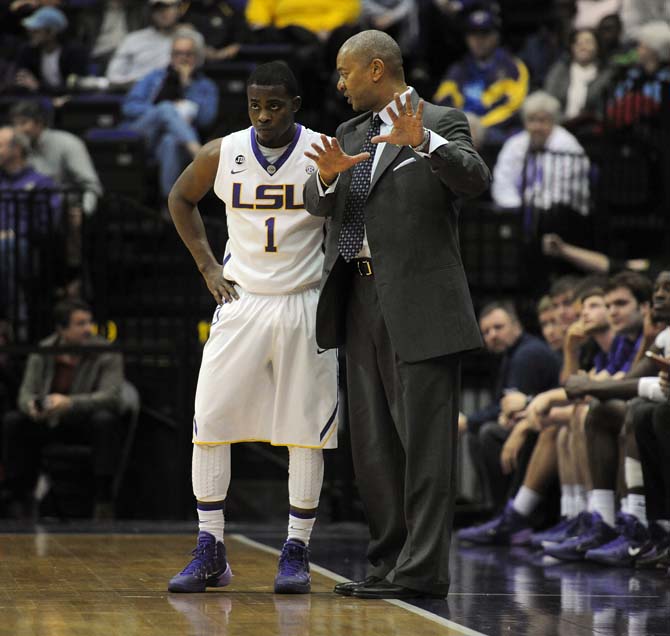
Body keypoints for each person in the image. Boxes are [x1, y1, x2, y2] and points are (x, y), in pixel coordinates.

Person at [303, 30, 490, 599]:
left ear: (376, 69)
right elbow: (319, 205)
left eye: (345, 73)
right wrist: (327, 178)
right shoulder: (349, 132)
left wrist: (427, 143)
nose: (339, 84)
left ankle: (423, 571)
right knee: (374, 446)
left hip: (420, 303)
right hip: (358, 298)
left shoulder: (442, 118)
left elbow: (473, 180)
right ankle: (387, 563)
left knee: (425, 446)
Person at [166, 61, 339, 595]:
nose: (263, 116)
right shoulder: (223, 151)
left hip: (303, 302)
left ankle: (297, 550)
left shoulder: (323, 151)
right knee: (210, 422)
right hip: (241, 301)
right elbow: (180, 199)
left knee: (304, 432)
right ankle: (211, 546)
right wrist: (207, 268)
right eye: (255, 106)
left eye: (275, 106)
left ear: (296, 106)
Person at [1, 299, 124, 520]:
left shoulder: (105, 352)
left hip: (83, 421)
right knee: (14, 421)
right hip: (49, 420)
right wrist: (32, 408)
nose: (88, 328)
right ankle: (19, 496)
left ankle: (103, 500)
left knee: (104, 420)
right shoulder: (44, 350)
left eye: (89, 322)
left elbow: (111, 396)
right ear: (62, 328)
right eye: (80, 323)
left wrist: (70, 403)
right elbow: (25, 393)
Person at [121, 27, 219, 199]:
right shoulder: (154, 77)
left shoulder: (206, 86)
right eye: (178, 53)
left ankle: (170, 209)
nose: (183, 58)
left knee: (170, 142)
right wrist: (161, 113)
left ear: (196, 57)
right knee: (166, 108)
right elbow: (129, 106)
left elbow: (206, 119)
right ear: (171, 55)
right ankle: (197, 151)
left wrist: (186, 85)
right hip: (145, 134)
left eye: (188, 54)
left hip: (175, 141)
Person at [433, 8, 529, 145]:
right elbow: (442, 99)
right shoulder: (459, 68)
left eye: (484, 34)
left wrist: (479, 126)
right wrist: (463, 126)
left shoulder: (513, 67)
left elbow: (512, 107)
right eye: (473, 34)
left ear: (496, 35)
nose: (478, 40)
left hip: (496, 131)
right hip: (461, 129)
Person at [105, 0, 184, 90]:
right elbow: (113, 76)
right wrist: (140, 83)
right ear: (151, 12)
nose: (163, 12)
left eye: (168, 7)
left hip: (178, 93)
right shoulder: (133, 39)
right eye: (158, 8)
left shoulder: (190, 38)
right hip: (137, 93)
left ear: (178, 9)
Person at [12, 5, 88, 95]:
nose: (31, 34)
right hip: (39, 102)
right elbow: (21, 81)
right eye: (30, 31)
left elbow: (75, 86)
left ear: (52, 32)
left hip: (68, 103)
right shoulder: (27, 51)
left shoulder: (74, 52)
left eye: (36, 31)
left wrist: (39, 87)